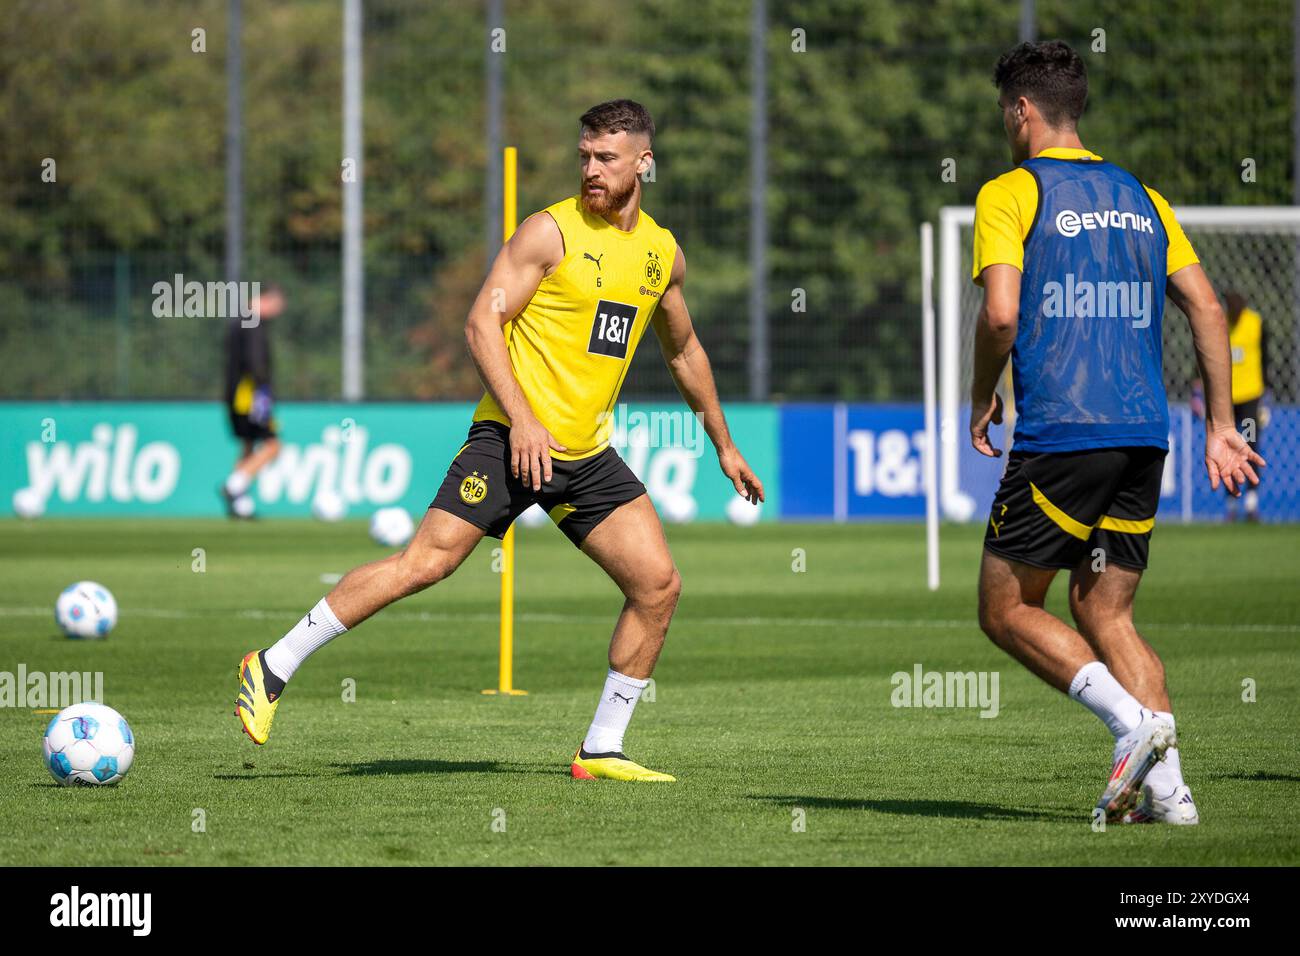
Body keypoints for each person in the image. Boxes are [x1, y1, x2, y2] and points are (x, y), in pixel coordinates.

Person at [235, 100, 764, 782]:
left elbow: (685, 349)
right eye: (584, 156)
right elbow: (481, 324)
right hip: (510, 439)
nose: (591, 169)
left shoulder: (661, 253)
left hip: (585, 455)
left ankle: (601, 748)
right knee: (425, 563)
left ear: (644, 162)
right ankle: (272, 665)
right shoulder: (548, 233)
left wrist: (723, 444)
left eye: (606, 158)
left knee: (658, 585)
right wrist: (523, 419)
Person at [968, 41, 1263, 825]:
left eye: (1006, 110)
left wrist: (979, 398)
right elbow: (1206, 307)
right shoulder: (1142, 196)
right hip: (1146, 433)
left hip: (1065, 432)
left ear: (1021, 110)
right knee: (1107, 613)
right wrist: (1221, 427)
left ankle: (1134, 728)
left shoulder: (1012, 191)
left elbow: (1000, 313)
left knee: (1005, 608)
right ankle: (1171, 798)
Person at [1193, 291, 1269, 521]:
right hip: (1225, 400)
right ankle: (1231, 504)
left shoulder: (1256, 324)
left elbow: (1266, 360)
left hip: (1249, 399)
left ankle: (1251, 503)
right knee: (1226, 447)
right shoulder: (1221, 323)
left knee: (1250, 446)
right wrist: (1197, 389)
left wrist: (1267, 396)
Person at [220, 284, 284, 518]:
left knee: (247, 446)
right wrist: (264, 392)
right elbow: (255, 361)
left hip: (235, 394)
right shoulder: (253, 322)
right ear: (265, 299)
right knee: (273, 445)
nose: (276, 311)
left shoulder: (241, 322)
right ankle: (234, 485)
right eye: (276, 306)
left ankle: (239, 505)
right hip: (251, 395)